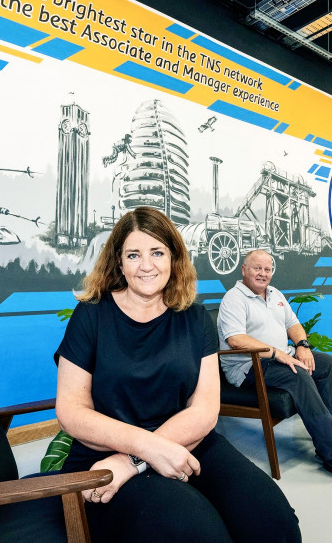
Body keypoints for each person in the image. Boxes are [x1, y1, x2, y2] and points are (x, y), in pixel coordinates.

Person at [55, 207, 300, 542]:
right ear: (119, 262)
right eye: (133, 254)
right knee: (200, 533)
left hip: (186, 442)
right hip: (103, 457)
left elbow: (204, 410)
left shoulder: (195, 318)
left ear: (174, 258)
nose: (146, 265)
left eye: (157, 252)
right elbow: (71, 410)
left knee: (274, 525)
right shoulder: (91, 315)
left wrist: (133, 462)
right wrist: (144, 451)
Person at [217, 249, 332, 484]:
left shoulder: (274, 293)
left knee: (326, 364)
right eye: (257, 268)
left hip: (277, 358)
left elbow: (293, 323)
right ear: (244, 270)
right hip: (247, 367)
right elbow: (236, 340)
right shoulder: (233, 298)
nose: (263, 274)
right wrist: (277, 353)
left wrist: (303, 346)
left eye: (267, 269)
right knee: (297, 374)